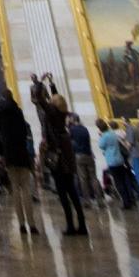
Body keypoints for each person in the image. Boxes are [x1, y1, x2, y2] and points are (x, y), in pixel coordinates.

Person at [30, 76, 88, 236]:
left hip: (58, 157)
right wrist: (52, 84)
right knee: (73, 193)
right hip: (67, 154)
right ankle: (82, 224)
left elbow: (40, 99)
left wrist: (39, 83)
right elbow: (56, 99)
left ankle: (70, 225)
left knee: (63, 193)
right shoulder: (62, 113)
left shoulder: (53, 114)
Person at [0, 88, 38, 234]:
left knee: (14, 188)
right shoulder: (17, 111)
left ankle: (21, 224)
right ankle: (31, 223)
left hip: (9, 152)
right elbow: (24, 132)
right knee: (25, 188)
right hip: (21, 151)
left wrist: (0, 153)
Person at [67, 112, 103, 207]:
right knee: (93, 178)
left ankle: (87, 201)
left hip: (79, 156)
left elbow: (70, 143)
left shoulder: (72, 130)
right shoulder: (85, 129)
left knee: (83, 179)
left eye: (70, 118)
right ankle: (100, 200)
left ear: (73, 119)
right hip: (89, 155)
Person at [96, 119, 133, 208]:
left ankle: (126, 203)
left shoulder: (104, 136)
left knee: (119, 183)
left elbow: (101, 145)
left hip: (112, 161)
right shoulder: (113, 133)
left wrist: (100, 136)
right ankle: (129, 200)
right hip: (119, 159)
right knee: (124, 181)